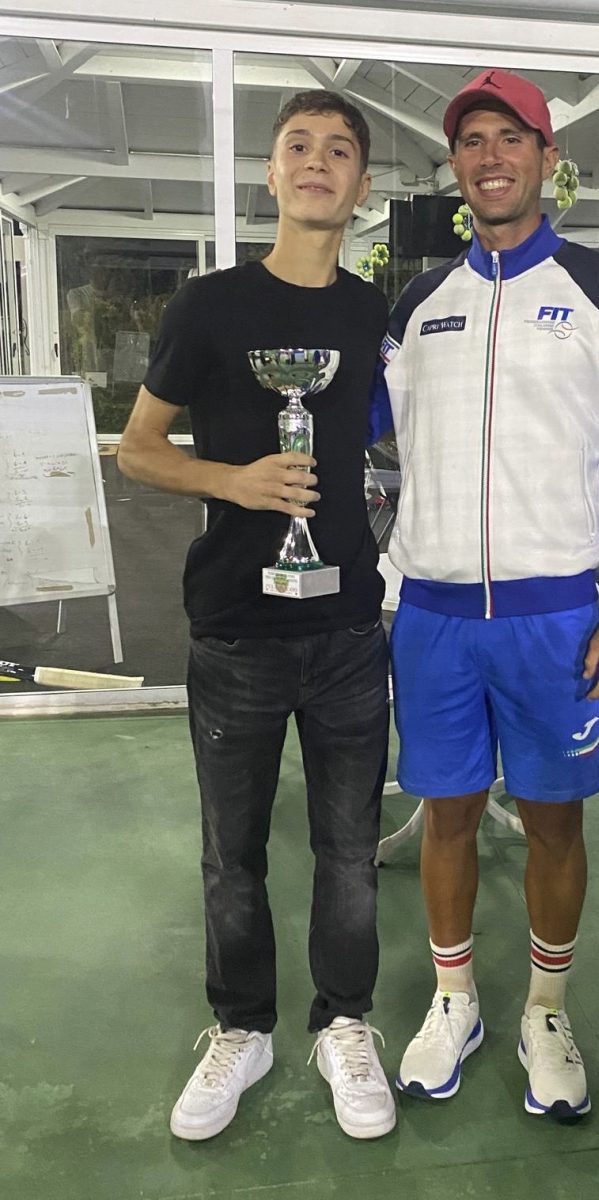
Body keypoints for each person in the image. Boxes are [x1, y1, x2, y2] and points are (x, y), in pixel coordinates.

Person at [370, 68, 599, 1120]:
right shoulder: (416, 304)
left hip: (555, 617)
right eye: (471, 141)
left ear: (547, 159)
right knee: (444, 814)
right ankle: (454, 998)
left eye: (510, 138)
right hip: (433, 615)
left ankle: (545, 1010)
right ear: (455, 165)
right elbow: (351, 421)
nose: (489, 156)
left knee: (553, 823)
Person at [117, 91, 396, 1142]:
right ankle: (243, 1028)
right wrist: (232, 482)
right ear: (271, 176)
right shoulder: (208, 307)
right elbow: (138, 449)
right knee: (231, 854)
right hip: (236, 626)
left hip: (349, 630)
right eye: (298, 147)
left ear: (361, 188)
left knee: (349, 850)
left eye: (340, 151)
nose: (318, 163)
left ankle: (344, 1022)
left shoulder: (373, 315)